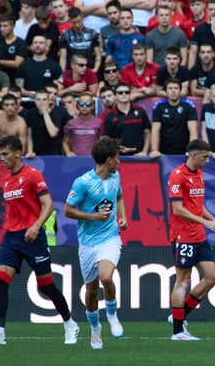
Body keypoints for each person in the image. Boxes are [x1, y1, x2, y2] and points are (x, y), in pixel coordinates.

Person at [0, 135, 79, 346]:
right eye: (0, 154)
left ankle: (70, 324)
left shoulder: (33, 175)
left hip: (33, 237)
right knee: (0, 280)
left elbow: (48, 204)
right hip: (11, 238)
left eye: (5, 154)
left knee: (46, 286)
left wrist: (36, 225)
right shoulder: (6, 181)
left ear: (18, 153)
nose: (2, 158)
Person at [63, 136, 126, 349]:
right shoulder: (83, 182)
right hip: (88, 243)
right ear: (109, 160)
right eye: (117, 158)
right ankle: (95, 329)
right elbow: (67, 210)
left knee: (106, 277)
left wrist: (123, 217)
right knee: (91, 289)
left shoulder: (116, 176)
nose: (119, 162)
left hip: (110, 238)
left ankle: (112, 315)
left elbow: (119, 197)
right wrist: (93, 217)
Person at [168, 139, 215, 341]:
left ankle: (178, 315)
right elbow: (178, 209)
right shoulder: (177, 176)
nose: (208, 160)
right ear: (194, 155)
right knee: (183, 281)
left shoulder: (199, 173)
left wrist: (212, 220)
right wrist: (205, 222)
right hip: (183, 237)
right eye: (205, 157)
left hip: (199, 236)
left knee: (211, 278)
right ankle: (177, 332)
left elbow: (197, 204)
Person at [149, 78, 198, 157]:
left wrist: (191, 150)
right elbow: (155, 130)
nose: (173, 91)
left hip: (184, 152)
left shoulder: (189, 106)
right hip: (164, 152)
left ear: (180, 91)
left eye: (176, 88)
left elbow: (193, 131)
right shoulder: (159, 106)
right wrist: (154, 150)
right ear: (166, 91)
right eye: (170, 88)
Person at [101, 82, 151, 156]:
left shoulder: (140, 111)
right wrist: (117, 148)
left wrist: (144, 151)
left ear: (130, 94)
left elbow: (148, 132)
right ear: (115, 96)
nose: (124, 94)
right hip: (118, 157)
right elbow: (104, 139)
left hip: (139, 156)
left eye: (127, 92)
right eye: (120, 92)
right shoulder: (109, 116)